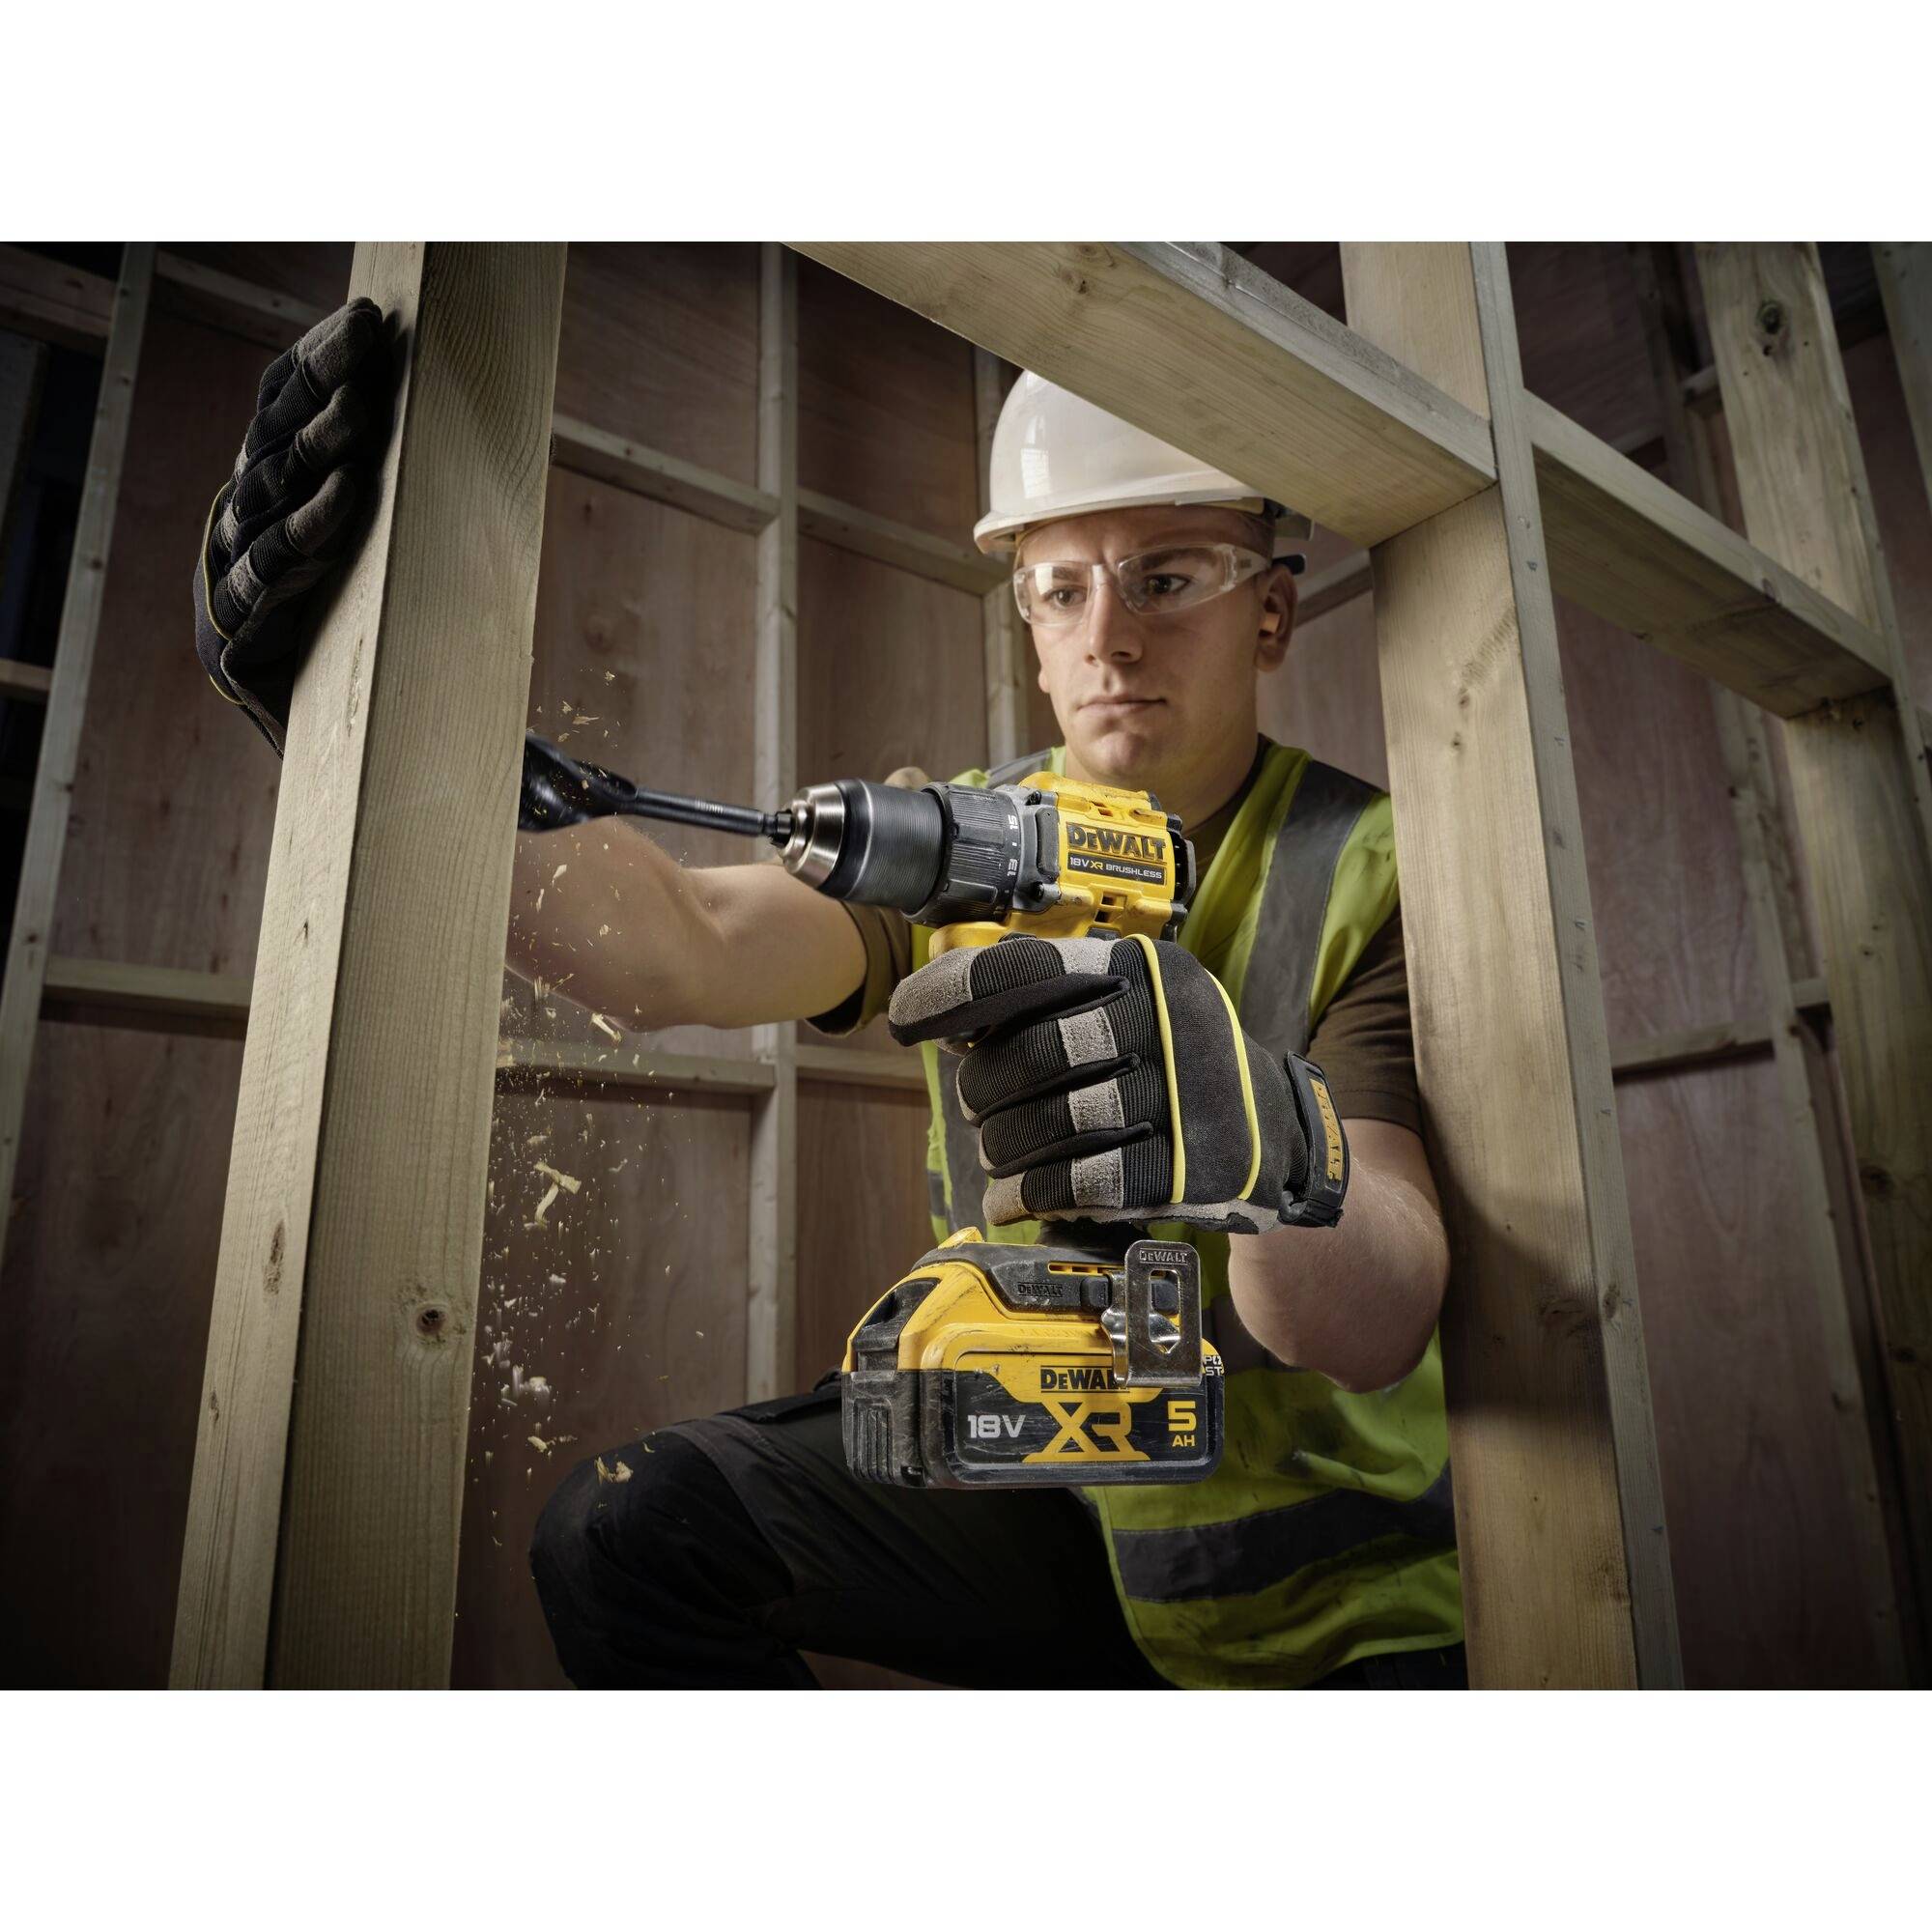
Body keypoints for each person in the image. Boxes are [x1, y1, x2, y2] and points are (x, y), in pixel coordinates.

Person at [196, 300, 1463, 1690]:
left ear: (1270, 609)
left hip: (1331, 1599)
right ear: (1029, 623)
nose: (1109, 638)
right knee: (633, 1530)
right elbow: (674, 943)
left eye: (1166, 578)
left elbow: (1375, 1312)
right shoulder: (976, 841)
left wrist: (1256, 1144)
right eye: (1063, 588)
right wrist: (377, 725)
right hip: (1050, 1481)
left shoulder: (1386, 869)